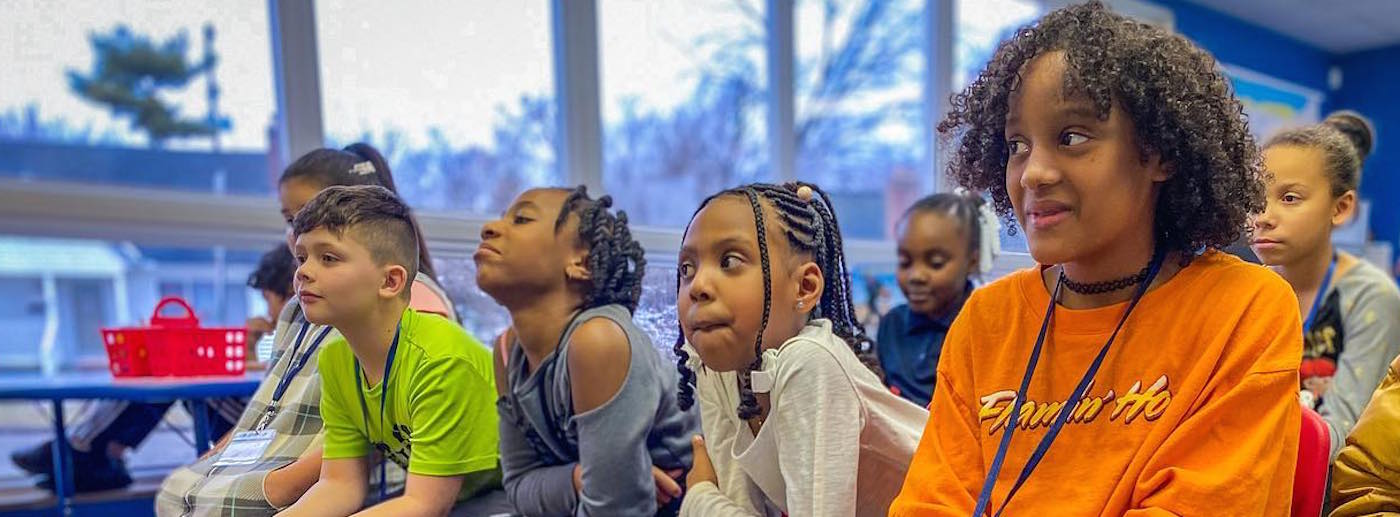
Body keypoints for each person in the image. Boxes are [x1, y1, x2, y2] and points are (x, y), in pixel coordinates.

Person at [890, 3, 1301, 515]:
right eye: (1017, 144)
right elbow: (928, 503)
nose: (1033, 173)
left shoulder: (1245, 309)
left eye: (1072, 137)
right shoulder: (985, 322)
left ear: (1160, 154)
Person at [156, 144, 458, 516]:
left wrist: (274, 487)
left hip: (369, 489)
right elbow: (271, 411)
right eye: (292, 222)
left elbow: (400, 483)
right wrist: (212, 471)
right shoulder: (302, 314)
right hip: (297, 475)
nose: (302, 269)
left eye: (326, 251)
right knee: (176, 493)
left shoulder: (415, 310)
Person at [674, 182, 927, 516]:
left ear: (805, 288)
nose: (699, 286)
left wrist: (700, 496)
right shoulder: (720, 368)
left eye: (730, 261)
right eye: (687, 269)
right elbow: (738, 507)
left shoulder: (810, 362)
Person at [279, 185, 499, 516]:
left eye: (328, 258)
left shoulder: (441, 360)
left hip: (510, 496)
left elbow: (425, 505)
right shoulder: (336, 359)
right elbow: (340, 485)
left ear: (390, 282)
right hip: (454, 500)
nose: (303, 272)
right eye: (302, 257)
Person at [480, 186, 698, 516]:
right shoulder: (507, 352)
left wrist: (589, 485)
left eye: (521, 219)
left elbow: (619, 509)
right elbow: (519, 487)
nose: (489, 228)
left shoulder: (598, 341)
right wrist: (579, 477)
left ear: (580, 262)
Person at [1250, 122, 1400, 459]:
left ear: (1341, 208)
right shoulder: (1246, 290)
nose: (1263, 217)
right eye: (1256, 199)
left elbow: (1341, 439)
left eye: (1289, 198)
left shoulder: (1371, 297)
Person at [877, 191, 990, 407]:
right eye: (905, 262)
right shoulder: (892, 325)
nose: (916, 276)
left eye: (936, 263)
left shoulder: (984, 331)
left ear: (971, 262)